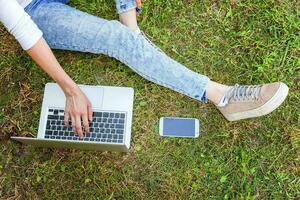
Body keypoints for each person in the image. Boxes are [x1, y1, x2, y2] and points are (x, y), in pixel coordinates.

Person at [0, 0, 289, 138]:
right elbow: (24, 30)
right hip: (34, 10)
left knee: (127, 39)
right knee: (115, 38)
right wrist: (71, 90)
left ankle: (133, 34)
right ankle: (223, 97)